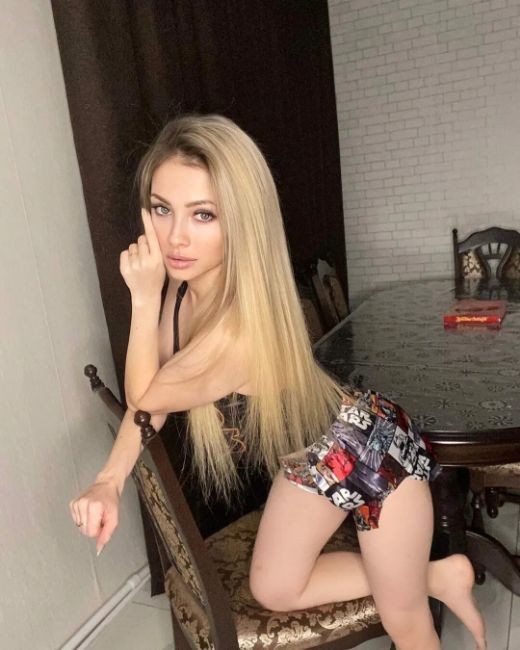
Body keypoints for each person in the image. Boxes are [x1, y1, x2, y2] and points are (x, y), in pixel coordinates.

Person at [69, 114, 486, 650]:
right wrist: (108, 480)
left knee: (406, 621)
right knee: (275, 588)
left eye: (203, 214)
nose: (175, 237)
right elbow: (153, 407)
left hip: (373, 457)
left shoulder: (236, 329)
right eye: (162, 209)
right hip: (309, 461)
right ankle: (437, 574)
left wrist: (143, 299)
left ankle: (413, 586)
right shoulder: (183, 287)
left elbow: (145, 397)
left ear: (242, 221)